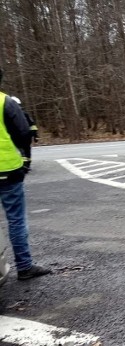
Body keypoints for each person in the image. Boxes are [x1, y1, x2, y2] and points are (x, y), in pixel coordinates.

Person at [0, 70, 51, 280]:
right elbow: (23, 132)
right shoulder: (6, 102)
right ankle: (24, 266)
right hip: (9, 169)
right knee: (16, 220)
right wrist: (23, 158)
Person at [10, 96, 38, 173]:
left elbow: (32, 125)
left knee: (21, 151)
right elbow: (32, 125)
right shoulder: (24, 114)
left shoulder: (10, 114)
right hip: (26, 135)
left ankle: (24, 165)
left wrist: (35, 135)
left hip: (17, 136)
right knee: (26, 151)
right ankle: (26, 165)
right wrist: (35, 135)